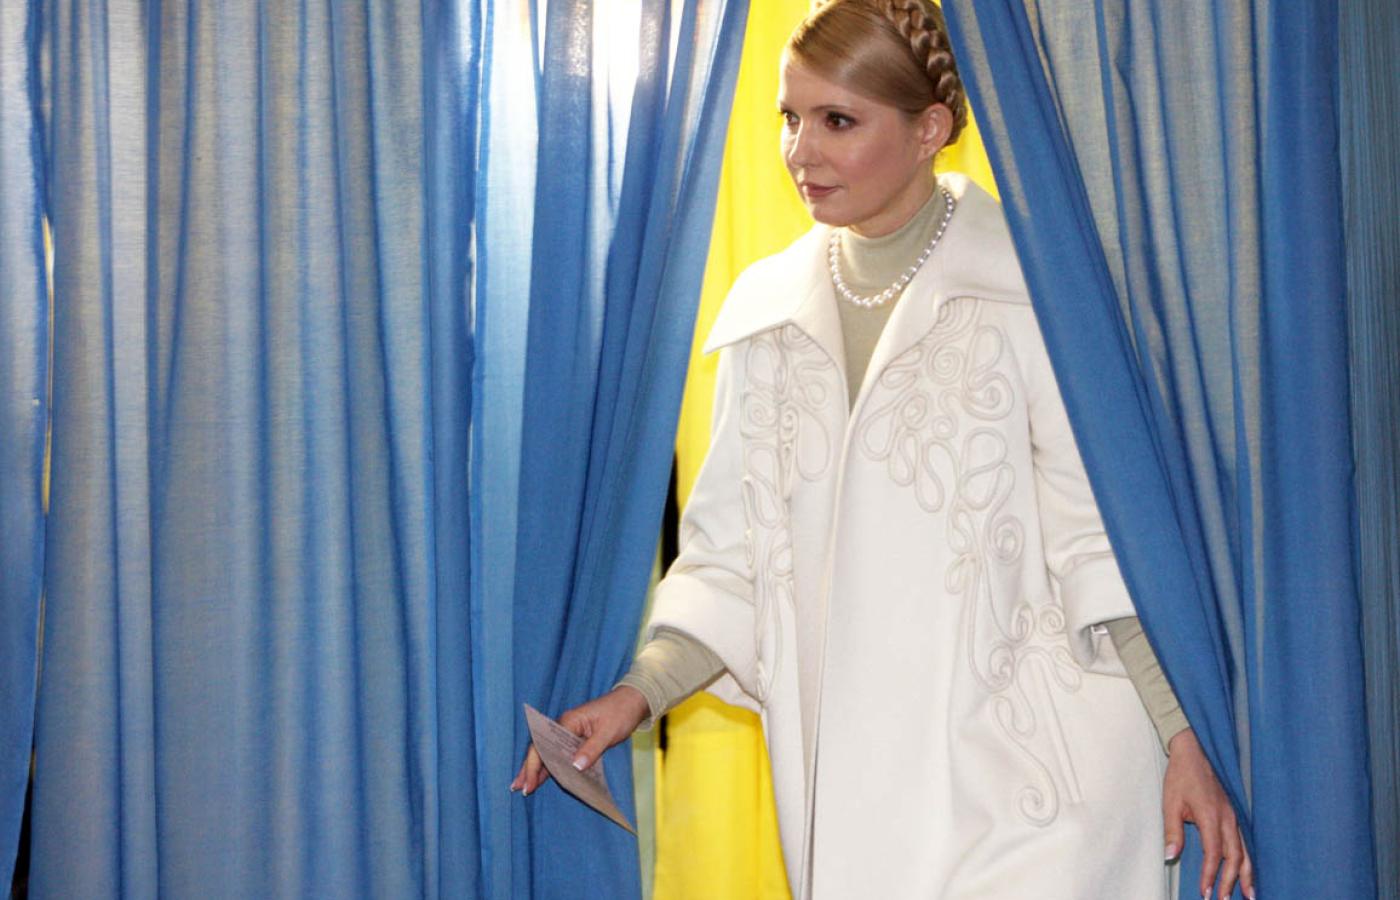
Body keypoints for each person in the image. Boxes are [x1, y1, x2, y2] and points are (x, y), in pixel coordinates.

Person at [515, 2, 1253, 897]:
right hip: (858, 808)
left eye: (838, 121)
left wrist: (1183, 737)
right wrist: (636, 696)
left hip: (1045, 797)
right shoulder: (765, 316)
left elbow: (1101, 542)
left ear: (929, 129)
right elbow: (731, 562)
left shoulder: (1034, 294)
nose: (800, 152)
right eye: (790, 117)